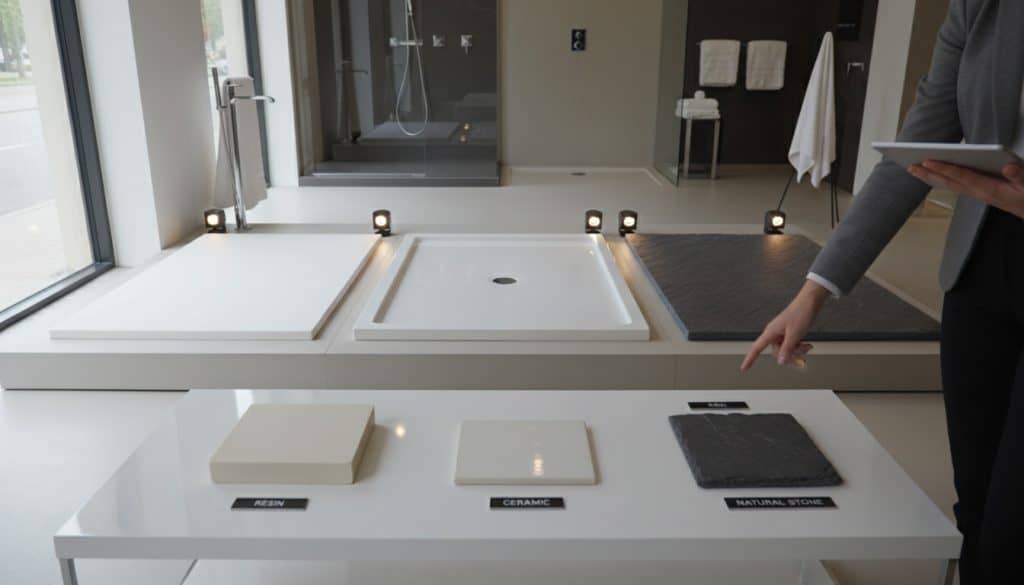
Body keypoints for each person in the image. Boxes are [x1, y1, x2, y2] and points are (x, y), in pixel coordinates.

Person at [739, 1, 1024, 583]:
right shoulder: (982, 7)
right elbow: (917, 147)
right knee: (975, 497)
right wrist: (813, 290)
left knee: (1011, 524)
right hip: (981, 269)